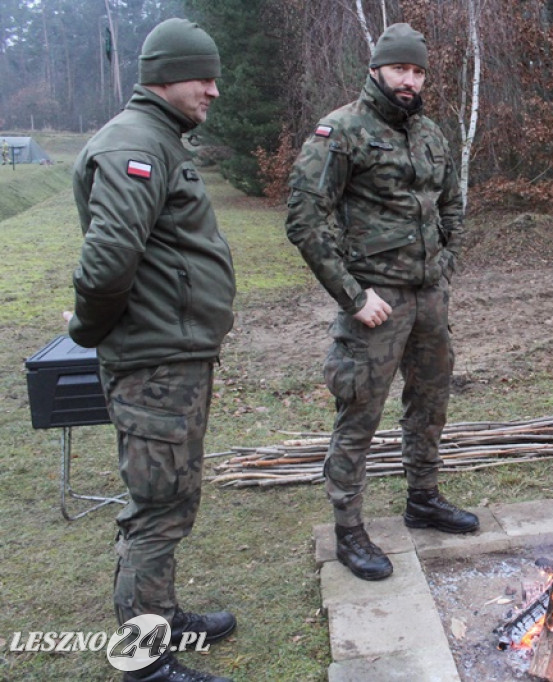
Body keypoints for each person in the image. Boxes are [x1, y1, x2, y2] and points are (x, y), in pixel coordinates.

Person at [68, 18, 236, 682]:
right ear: (165, 76)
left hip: (176, 356)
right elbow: (108, 263)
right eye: (204, 77)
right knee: (155, 507)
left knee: (173, 496)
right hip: (154, 363)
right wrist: (88, 328)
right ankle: (143, 660)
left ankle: (164, 616)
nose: (215, 91)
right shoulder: (134, 145)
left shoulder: (159, 140)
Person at [285, 23, 478, 582]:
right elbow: (305, 219)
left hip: (429, 301)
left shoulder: (431, 133)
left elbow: (454, 206)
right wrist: (352, 295)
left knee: (429, 404)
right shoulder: (340, 130)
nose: (409, 80)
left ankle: (424, 498)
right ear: (376, 69)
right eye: (400, 69)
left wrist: (444, 264)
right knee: (359, 414)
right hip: (375, 304)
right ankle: (349, 529)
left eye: (418, 72)